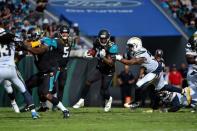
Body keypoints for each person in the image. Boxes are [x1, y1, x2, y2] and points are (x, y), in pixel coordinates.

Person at [115, 37, 192, 106]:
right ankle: (184, 91)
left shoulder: (142, 54)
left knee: (138, 85)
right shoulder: (138, 51)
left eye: (131, 46)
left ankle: (136, 102)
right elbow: (127, 56)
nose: (129, 48)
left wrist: (119, 59)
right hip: (155, 69)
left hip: (154, 71)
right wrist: (115, 55)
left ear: (136, 45)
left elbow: (130, 62)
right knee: (163, 87)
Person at [23, 28, 70, 118]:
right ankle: (30, 106)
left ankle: (65, 110)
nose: (29, 39)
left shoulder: (45, 41)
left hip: (50, 71)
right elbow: (29, 44)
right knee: (27, 84)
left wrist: (25, 46)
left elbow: (38, 51)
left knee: (46, 93)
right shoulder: (37, 42)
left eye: (31, 37)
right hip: (43, 71)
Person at [73, 29, 118, 112]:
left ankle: (109, 99)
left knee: (103, 91)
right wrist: (90, 53)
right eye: (101, 38)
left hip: (109, 71)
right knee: (88, 81)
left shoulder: (113, 47)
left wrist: (102, 57)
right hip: (100, 68)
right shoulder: (97, 42)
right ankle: (81, 100)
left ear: (108, 38)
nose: (103, 40)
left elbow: (111, 63)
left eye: (105, 39)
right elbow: (94, 50)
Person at [0, 27, 39, 119]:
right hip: (11, 69)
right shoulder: (13, 39)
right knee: (24, 90)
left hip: (0, 69)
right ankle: (33, 113)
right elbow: (24, 45)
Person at [54, 25, 74, 102]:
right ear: (60, 33)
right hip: (55, 67)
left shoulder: (71, 41)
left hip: (64, 67)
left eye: (66, 33)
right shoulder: (56, 41)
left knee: (62, 86)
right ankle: (49, 104)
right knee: (53, 87)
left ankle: (59, 104)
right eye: (63, 32)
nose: (65, 34)